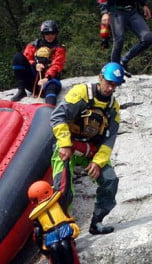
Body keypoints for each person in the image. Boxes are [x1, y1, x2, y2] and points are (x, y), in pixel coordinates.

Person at [50, 62, 124, 236]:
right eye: (109, 82)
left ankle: (97, 222)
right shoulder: (81, 93)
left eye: (115, 85)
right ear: (100, 78)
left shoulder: (113, 108)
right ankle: (62, 226)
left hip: (90, 149)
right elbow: (57, 117)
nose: (110, 88)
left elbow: (109, 140)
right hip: (67, 145)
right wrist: (65, 144)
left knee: (110, 180)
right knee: (62, 186)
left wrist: (98, 162)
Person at [28, 179, 84, 264]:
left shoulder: (37, 217)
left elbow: (37, 235)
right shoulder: (60, 201)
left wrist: (45, 252)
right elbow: (67, 185)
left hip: (52, 244)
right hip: (66, 239)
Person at [11, 20, 66, 105]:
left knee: (51, 87)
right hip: (33, 81)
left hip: (49, 81)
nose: (50, 36)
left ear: (56, 33)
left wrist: (46, 78)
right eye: (47, 33)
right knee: (18, 57)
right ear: (43, 34)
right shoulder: (33, 45)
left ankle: (49, 109)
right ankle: (21, 90)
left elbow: (57, 65)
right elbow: (27, 57)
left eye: (52, 33)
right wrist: (34, 64)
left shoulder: (59, 49)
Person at [97, 0, 152, 76]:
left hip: (132, 11)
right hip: (116, 10)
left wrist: (144, 4)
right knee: (119, 40)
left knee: (147, 38)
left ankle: (123, 61)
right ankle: (114, 71)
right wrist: (104, 12)